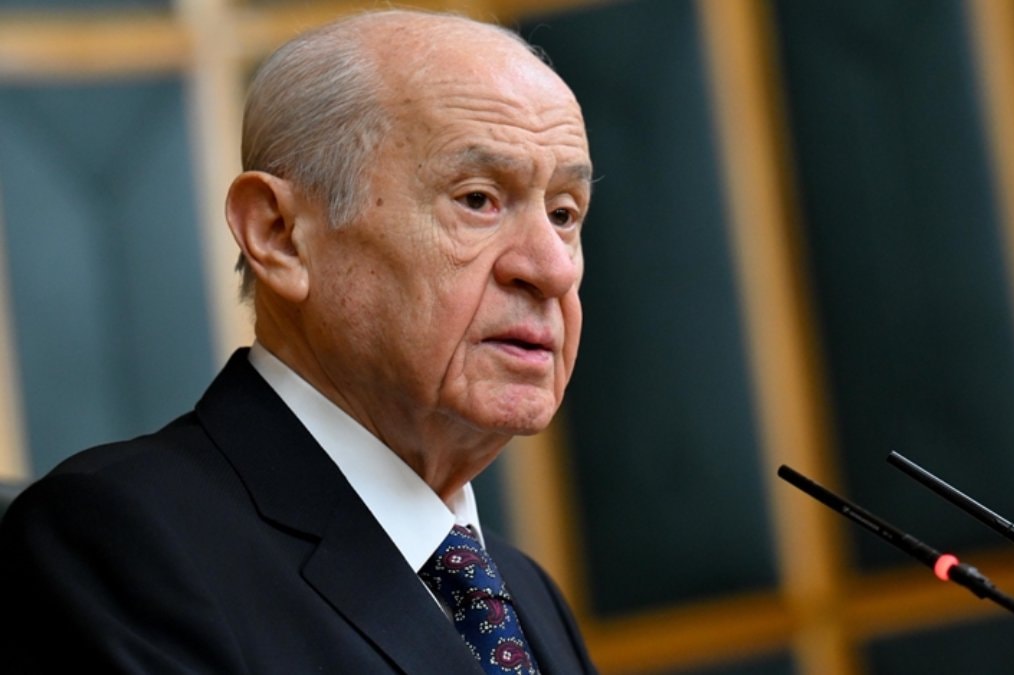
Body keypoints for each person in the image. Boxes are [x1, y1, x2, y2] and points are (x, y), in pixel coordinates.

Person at [0, 8, 597, 674]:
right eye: (478, 199)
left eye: (563, 213)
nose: (553, 269)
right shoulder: (121, 541)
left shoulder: (525, 592)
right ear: (279, 234)